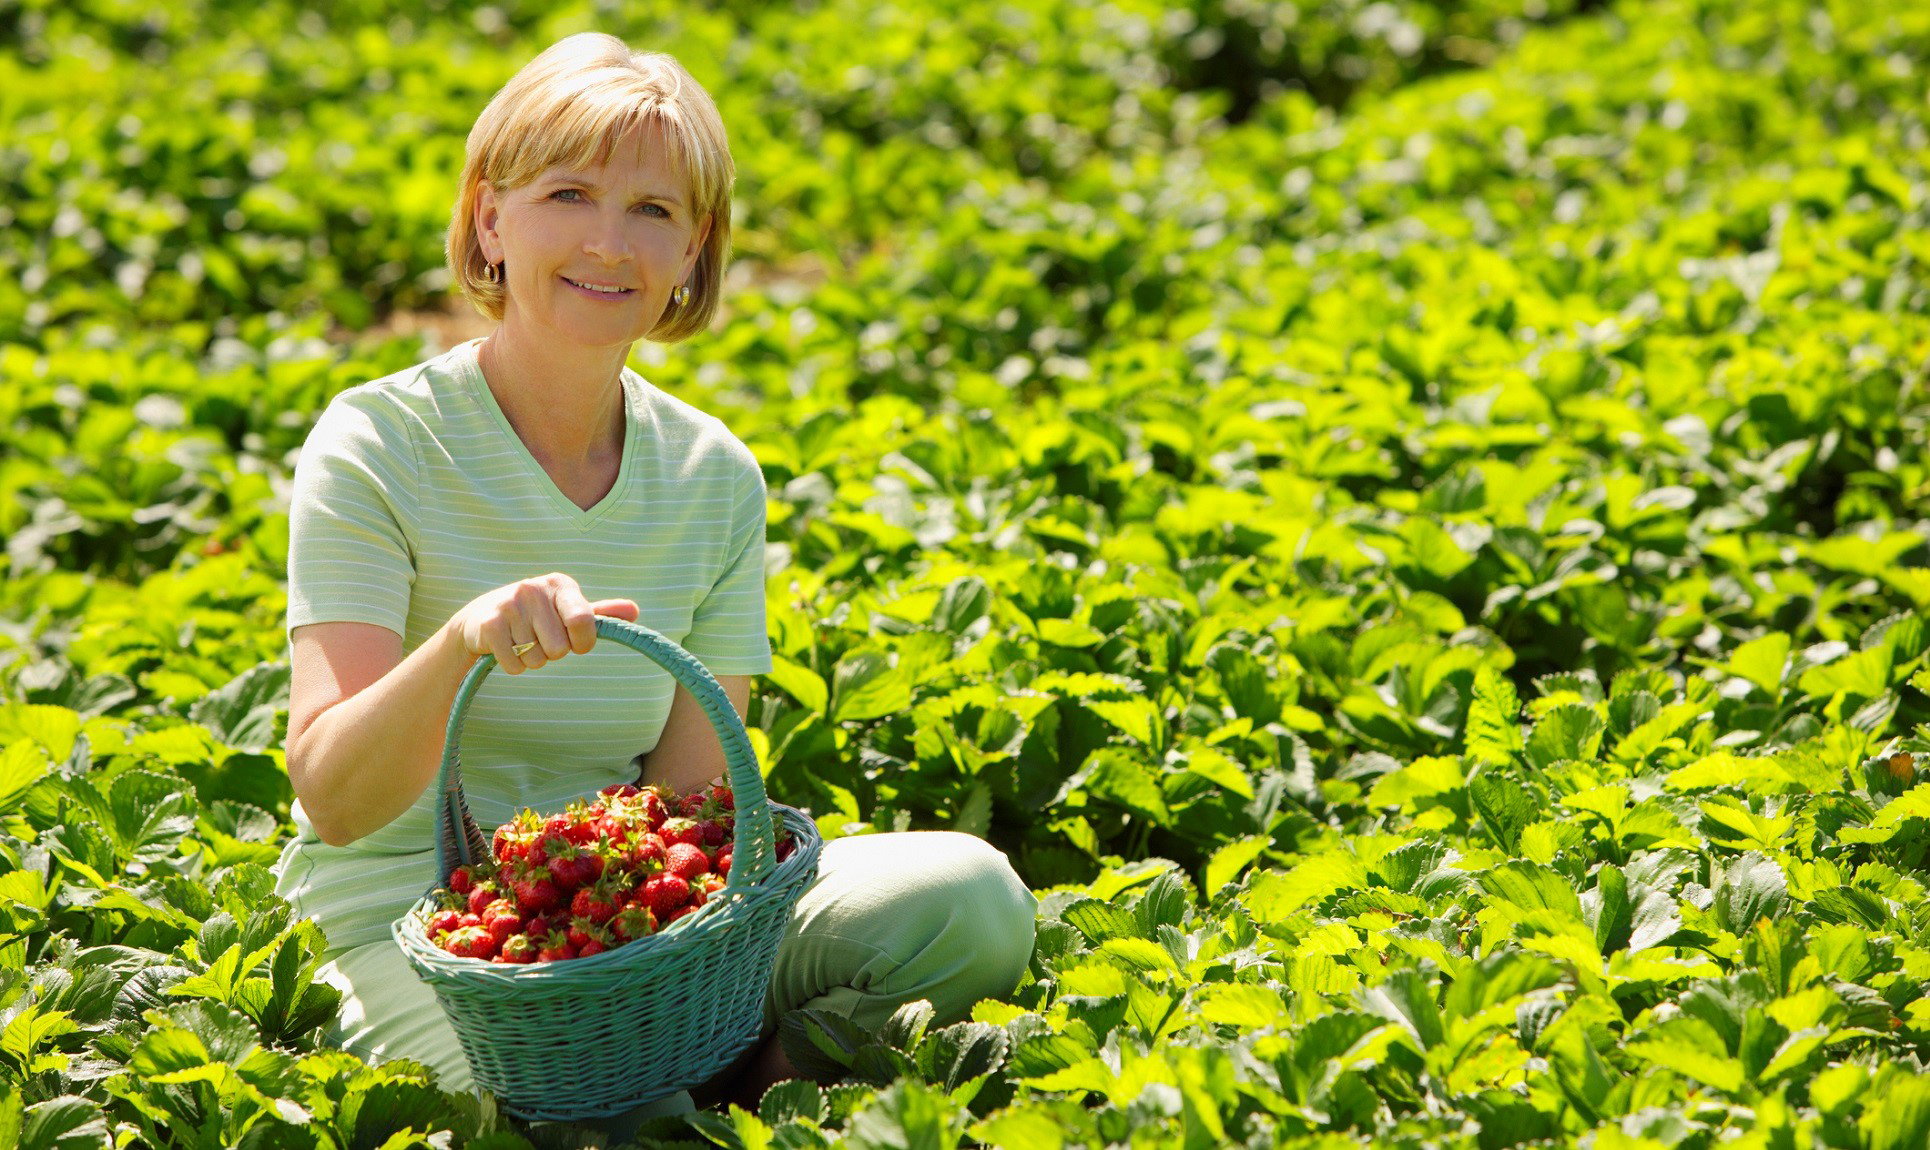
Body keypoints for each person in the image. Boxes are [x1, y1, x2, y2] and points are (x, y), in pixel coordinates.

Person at [270, 32, 1038, 1126]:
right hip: (412, 918)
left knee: (970, 902)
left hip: (619, 915)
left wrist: (674, 944)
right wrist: (459, 647)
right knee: (541, 1096)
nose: (607, 241)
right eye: (568, 193)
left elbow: (690, 802)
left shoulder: (712, 474)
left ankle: (752, 1090)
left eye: (653, 211)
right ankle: (665, 1089)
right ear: (492, 217)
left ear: (693, 250)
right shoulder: (379, 443)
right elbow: (334, 800)